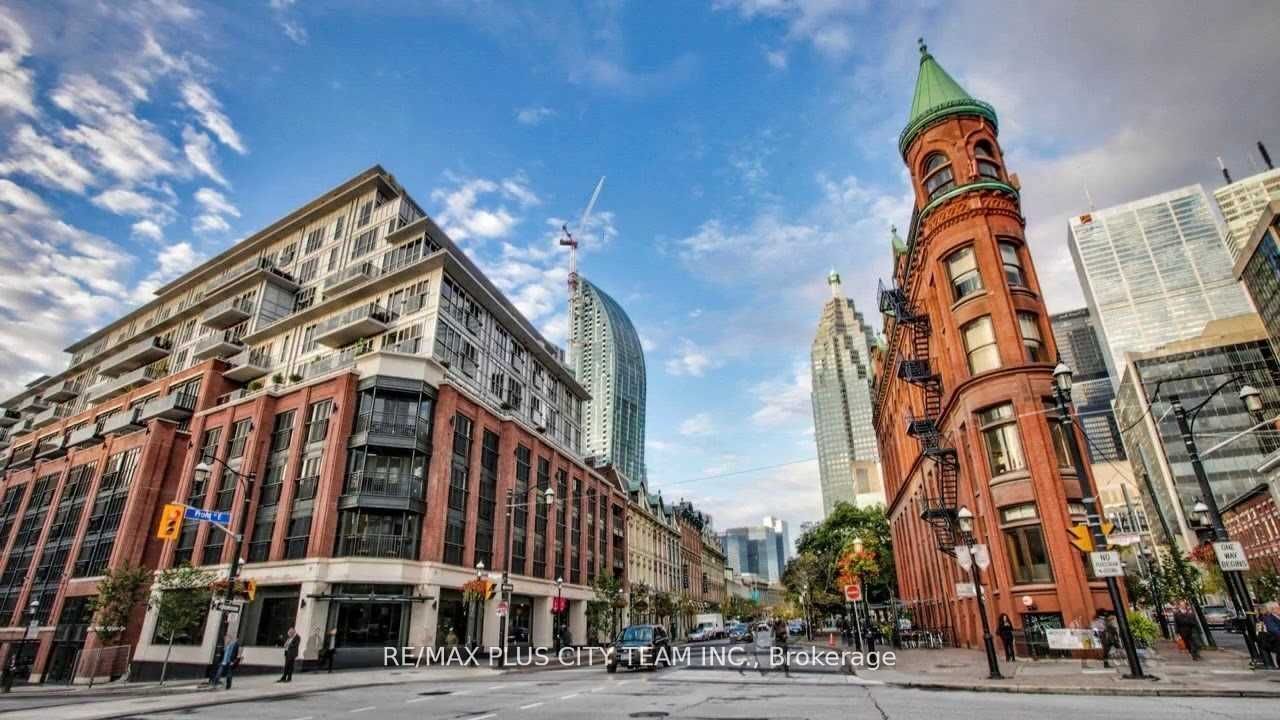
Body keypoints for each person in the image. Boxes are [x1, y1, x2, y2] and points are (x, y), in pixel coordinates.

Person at [1259, 601, 1280, 668]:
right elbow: (1273, 630)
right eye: (1278, 608)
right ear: (1272, 609)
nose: (1279, 609)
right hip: (1274, 640)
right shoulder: (1269, 618)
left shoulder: (1276, 617)